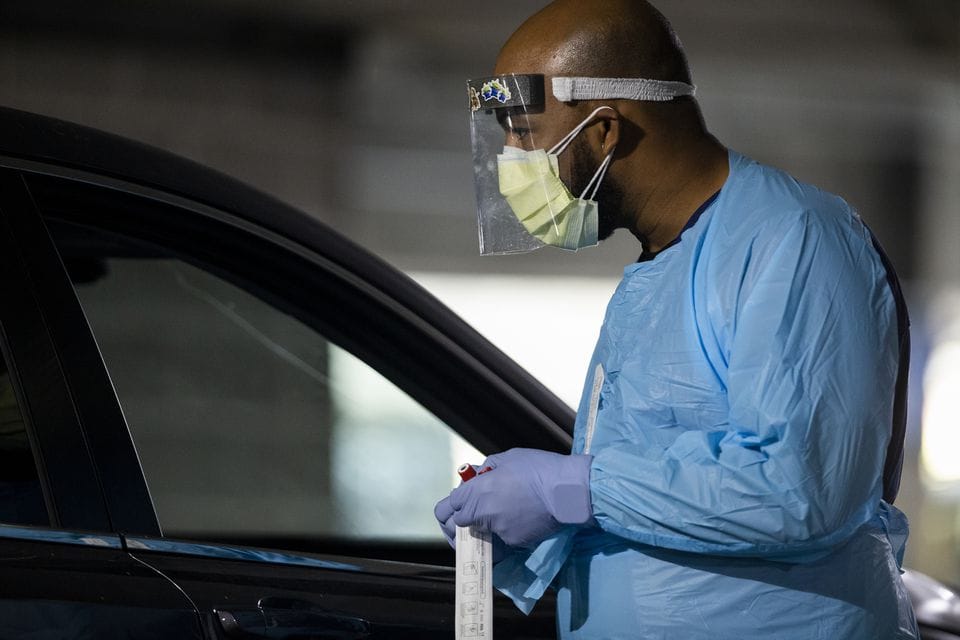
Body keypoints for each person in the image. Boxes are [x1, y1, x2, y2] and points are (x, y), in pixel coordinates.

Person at [435, 0, 919, 638]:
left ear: (606, 129)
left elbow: (800, 489)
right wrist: (541, 525)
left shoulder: (792, 238)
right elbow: (659, 497)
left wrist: (571, 491)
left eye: (522, 128)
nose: (509, 157)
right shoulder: (663, 267)